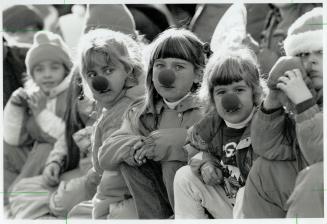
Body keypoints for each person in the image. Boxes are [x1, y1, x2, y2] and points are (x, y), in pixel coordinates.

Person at [98, 28, 209, 218]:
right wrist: (138, 145)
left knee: (172, 161)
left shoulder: (206, 109)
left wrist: (168, 143)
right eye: (160, 65)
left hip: (198, 201)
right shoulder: (142, 112)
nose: (167, 74)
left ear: (198, 75)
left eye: (178, 66)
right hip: (158, 203)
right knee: (130, 161)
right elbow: (105, 156)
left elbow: (216, 144)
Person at [49, 28, 144, 219]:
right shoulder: (110, 106)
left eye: (108, 70)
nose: (100, 80)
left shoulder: (127, 110)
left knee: (71, 211)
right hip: (112, 189)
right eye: (92, 74)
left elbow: (114, 175)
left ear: (128, 69)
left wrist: (99, 205)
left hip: (127, 196)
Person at [242, 7, 323, 218]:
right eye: (303, 54)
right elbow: (267, 147)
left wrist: (305, 104)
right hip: (307, 182)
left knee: (316, 177)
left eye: (320, 52)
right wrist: (273, 100)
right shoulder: (302, 93)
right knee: (263, 171)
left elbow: (320, 156)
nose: (311, 60)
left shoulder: (303, 97)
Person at [174, 46, 264, 218]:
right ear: (212, 98)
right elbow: (194, 150)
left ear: (254, 91)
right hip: (228, 201)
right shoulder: (210, 126)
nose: (230, 99)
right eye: (221, 92)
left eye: (239, 90)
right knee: (184, 176)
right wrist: (206, 164)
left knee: (246, 191)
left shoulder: (265, 121)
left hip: (261, 207)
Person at [8, 70, 97, 219]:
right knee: (22, 189)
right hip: (78, 174)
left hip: (93, 182)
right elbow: (66, 138)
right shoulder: (79, 119)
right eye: (83, 96)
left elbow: (98, 176)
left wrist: (62, 197)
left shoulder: (109, 123)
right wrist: (55, 163)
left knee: (54, 202)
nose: (92, 102)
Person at [3, 30, 73, 200]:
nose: (47, 74)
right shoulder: (34, 95)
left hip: (63, 157)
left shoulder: (70, 95)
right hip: (34, 159)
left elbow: (65, 136)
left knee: (44, 148)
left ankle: (18, 195)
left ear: (65, 70)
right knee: (6, 149)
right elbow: (14, 139)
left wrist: (41, 112)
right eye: (39, 70)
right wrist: (15, 107)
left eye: (54, 68)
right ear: (32, 74)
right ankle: (6, 195)